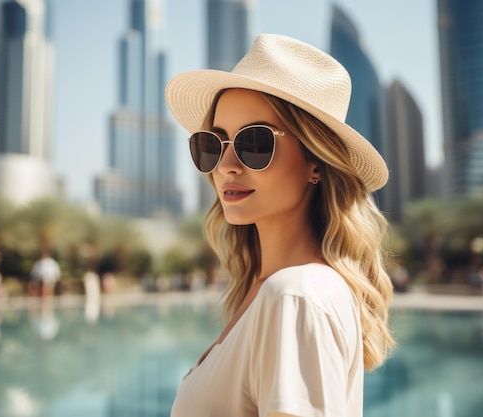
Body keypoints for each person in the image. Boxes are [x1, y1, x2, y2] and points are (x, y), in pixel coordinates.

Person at [165, 34, 394, 417]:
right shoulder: (271, 291)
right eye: (213, 143)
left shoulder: (294, 295)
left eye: (255, 143)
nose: (226, 165)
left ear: (315, 163)